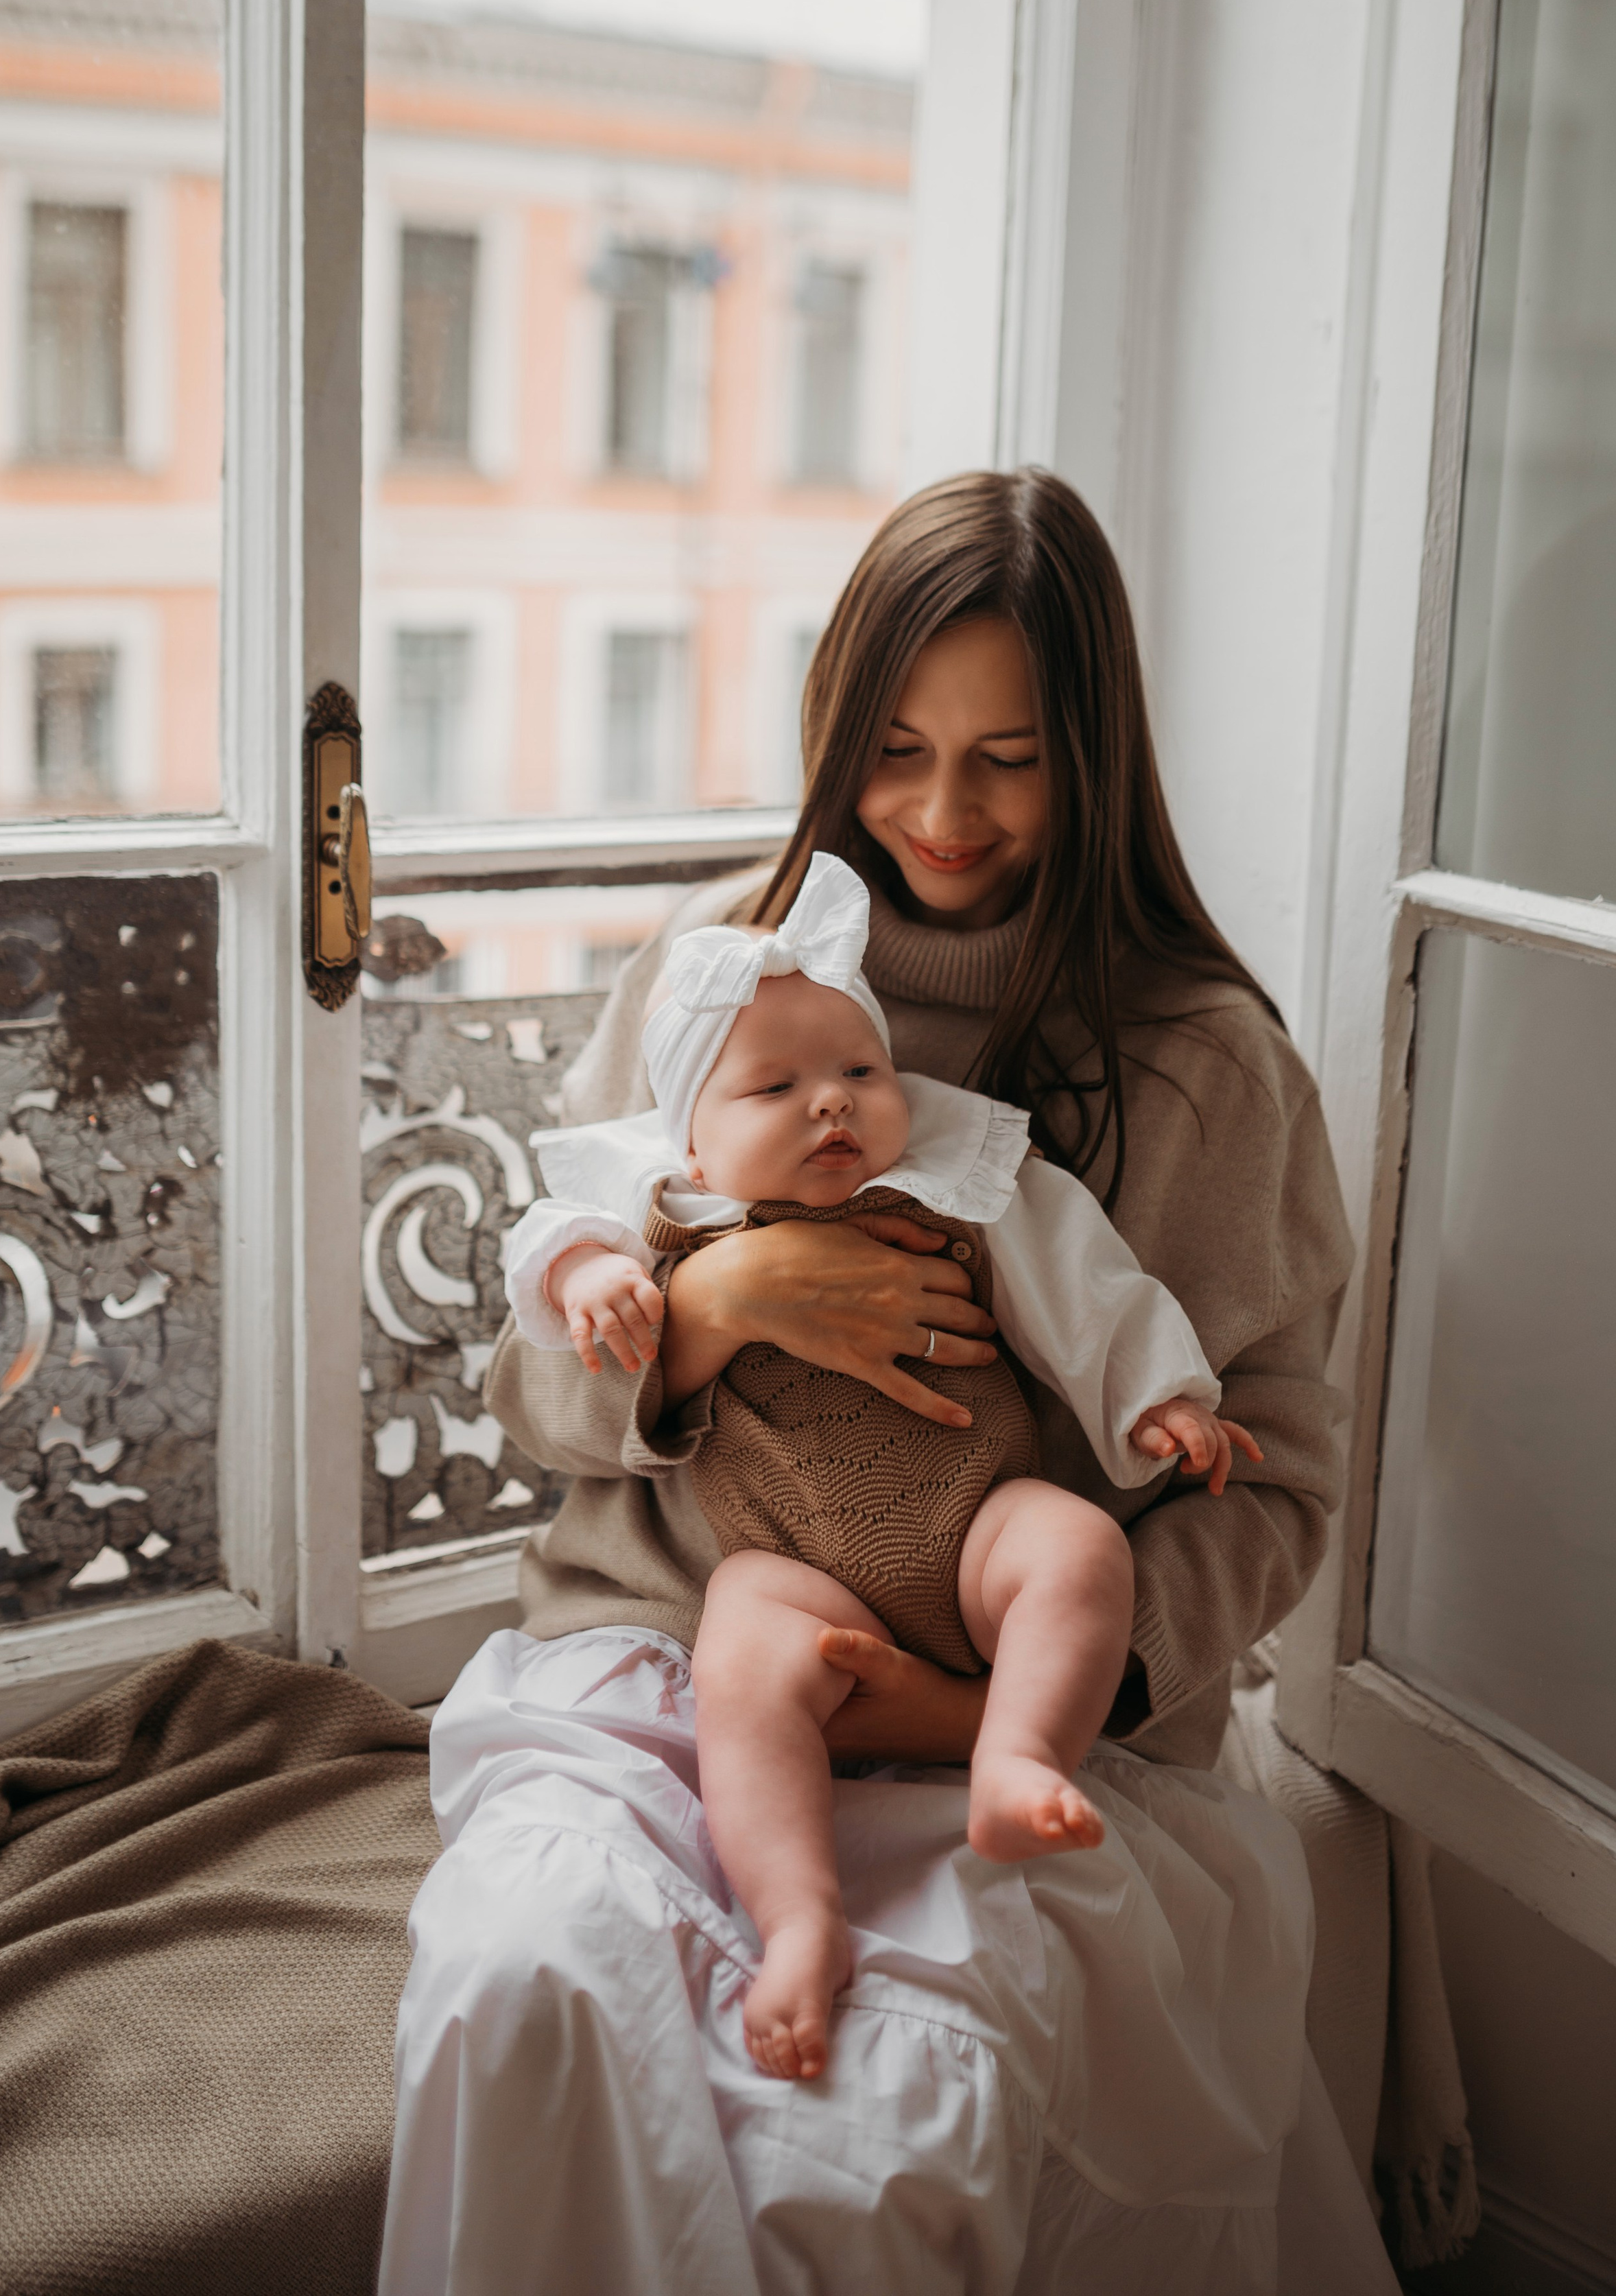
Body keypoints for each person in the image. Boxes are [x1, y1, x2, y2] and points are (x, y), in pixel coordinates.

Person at [379, 469, 1399, 2295]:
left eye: (1007, 756)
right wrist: (723, 1309)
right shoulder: (712, 982)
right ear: (832, 732)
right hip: (672, 1665)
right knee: (519, 1987)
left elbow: (1284, 1493)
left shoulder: (1199, 1068)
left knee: (867, 2132)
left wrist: (963, 1708)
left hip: (1023, 1714)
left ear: (1095, 756)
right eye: (899, 748)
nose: (942, 812)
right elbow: (529, 1398)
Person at [510, 847, 1259, 2081]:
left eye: (861, 1070)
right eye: (776, 1087)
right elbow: (548, 1252)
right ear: (689, 1142)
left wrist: (1163, 1396)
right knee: (740, 1663)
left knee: (1073, 1544)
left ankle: (1015, 1756)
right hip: (795, 1573)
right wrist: (592, 1278)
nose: (834, 1104)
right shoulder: (663, 1213)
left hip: (975, 1529)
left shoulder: (954, 1188)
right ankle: (797, 1920)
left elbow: (1088, 1287)